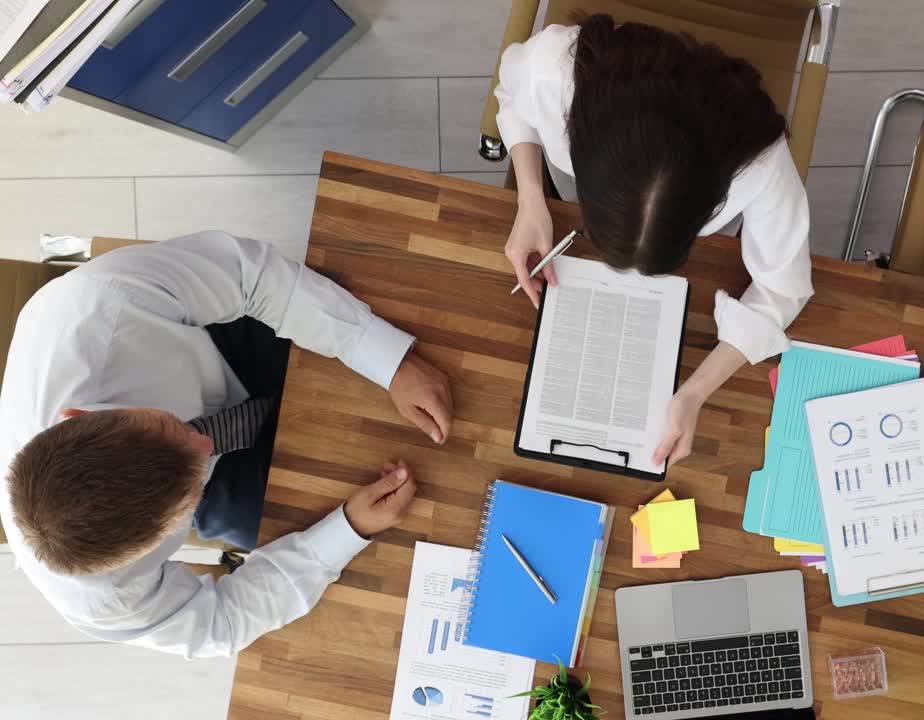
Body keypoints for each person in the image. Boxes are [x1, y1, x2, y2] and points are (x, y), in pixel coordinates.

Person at [0, 231, 453, 659]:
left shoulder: (102, 303)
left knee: (374, 296)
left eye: (168, 426)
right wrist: (348, 529)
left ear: (80, 416)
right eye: (187, 485)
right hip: (224, 488)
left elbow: (249, 276)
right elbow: (222, 623)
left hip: (220, 345)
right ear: (149, 545)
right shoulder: (102, 599)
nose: (203, 443)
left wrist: (390, 361)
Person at [495, 15, 813, 469]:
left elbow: (783, 287)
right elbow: (511, 97)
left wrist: (695, 391)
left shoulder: (757, 163)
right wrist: (530, 196)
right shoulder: (551, 71)